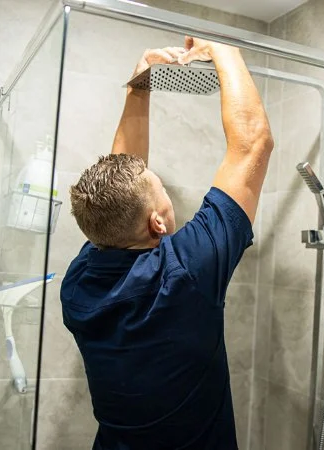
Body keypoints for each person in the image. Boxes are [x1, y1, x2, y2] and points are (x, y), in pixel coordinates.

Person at [60, 37, 274, 449]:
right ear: (157, 222)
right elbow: (253, 145)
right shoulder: (185, 273)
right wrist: (224, 46)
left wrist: (138, 86)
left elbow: (121, 185)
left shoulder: (79, 285)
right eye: (159, 187)